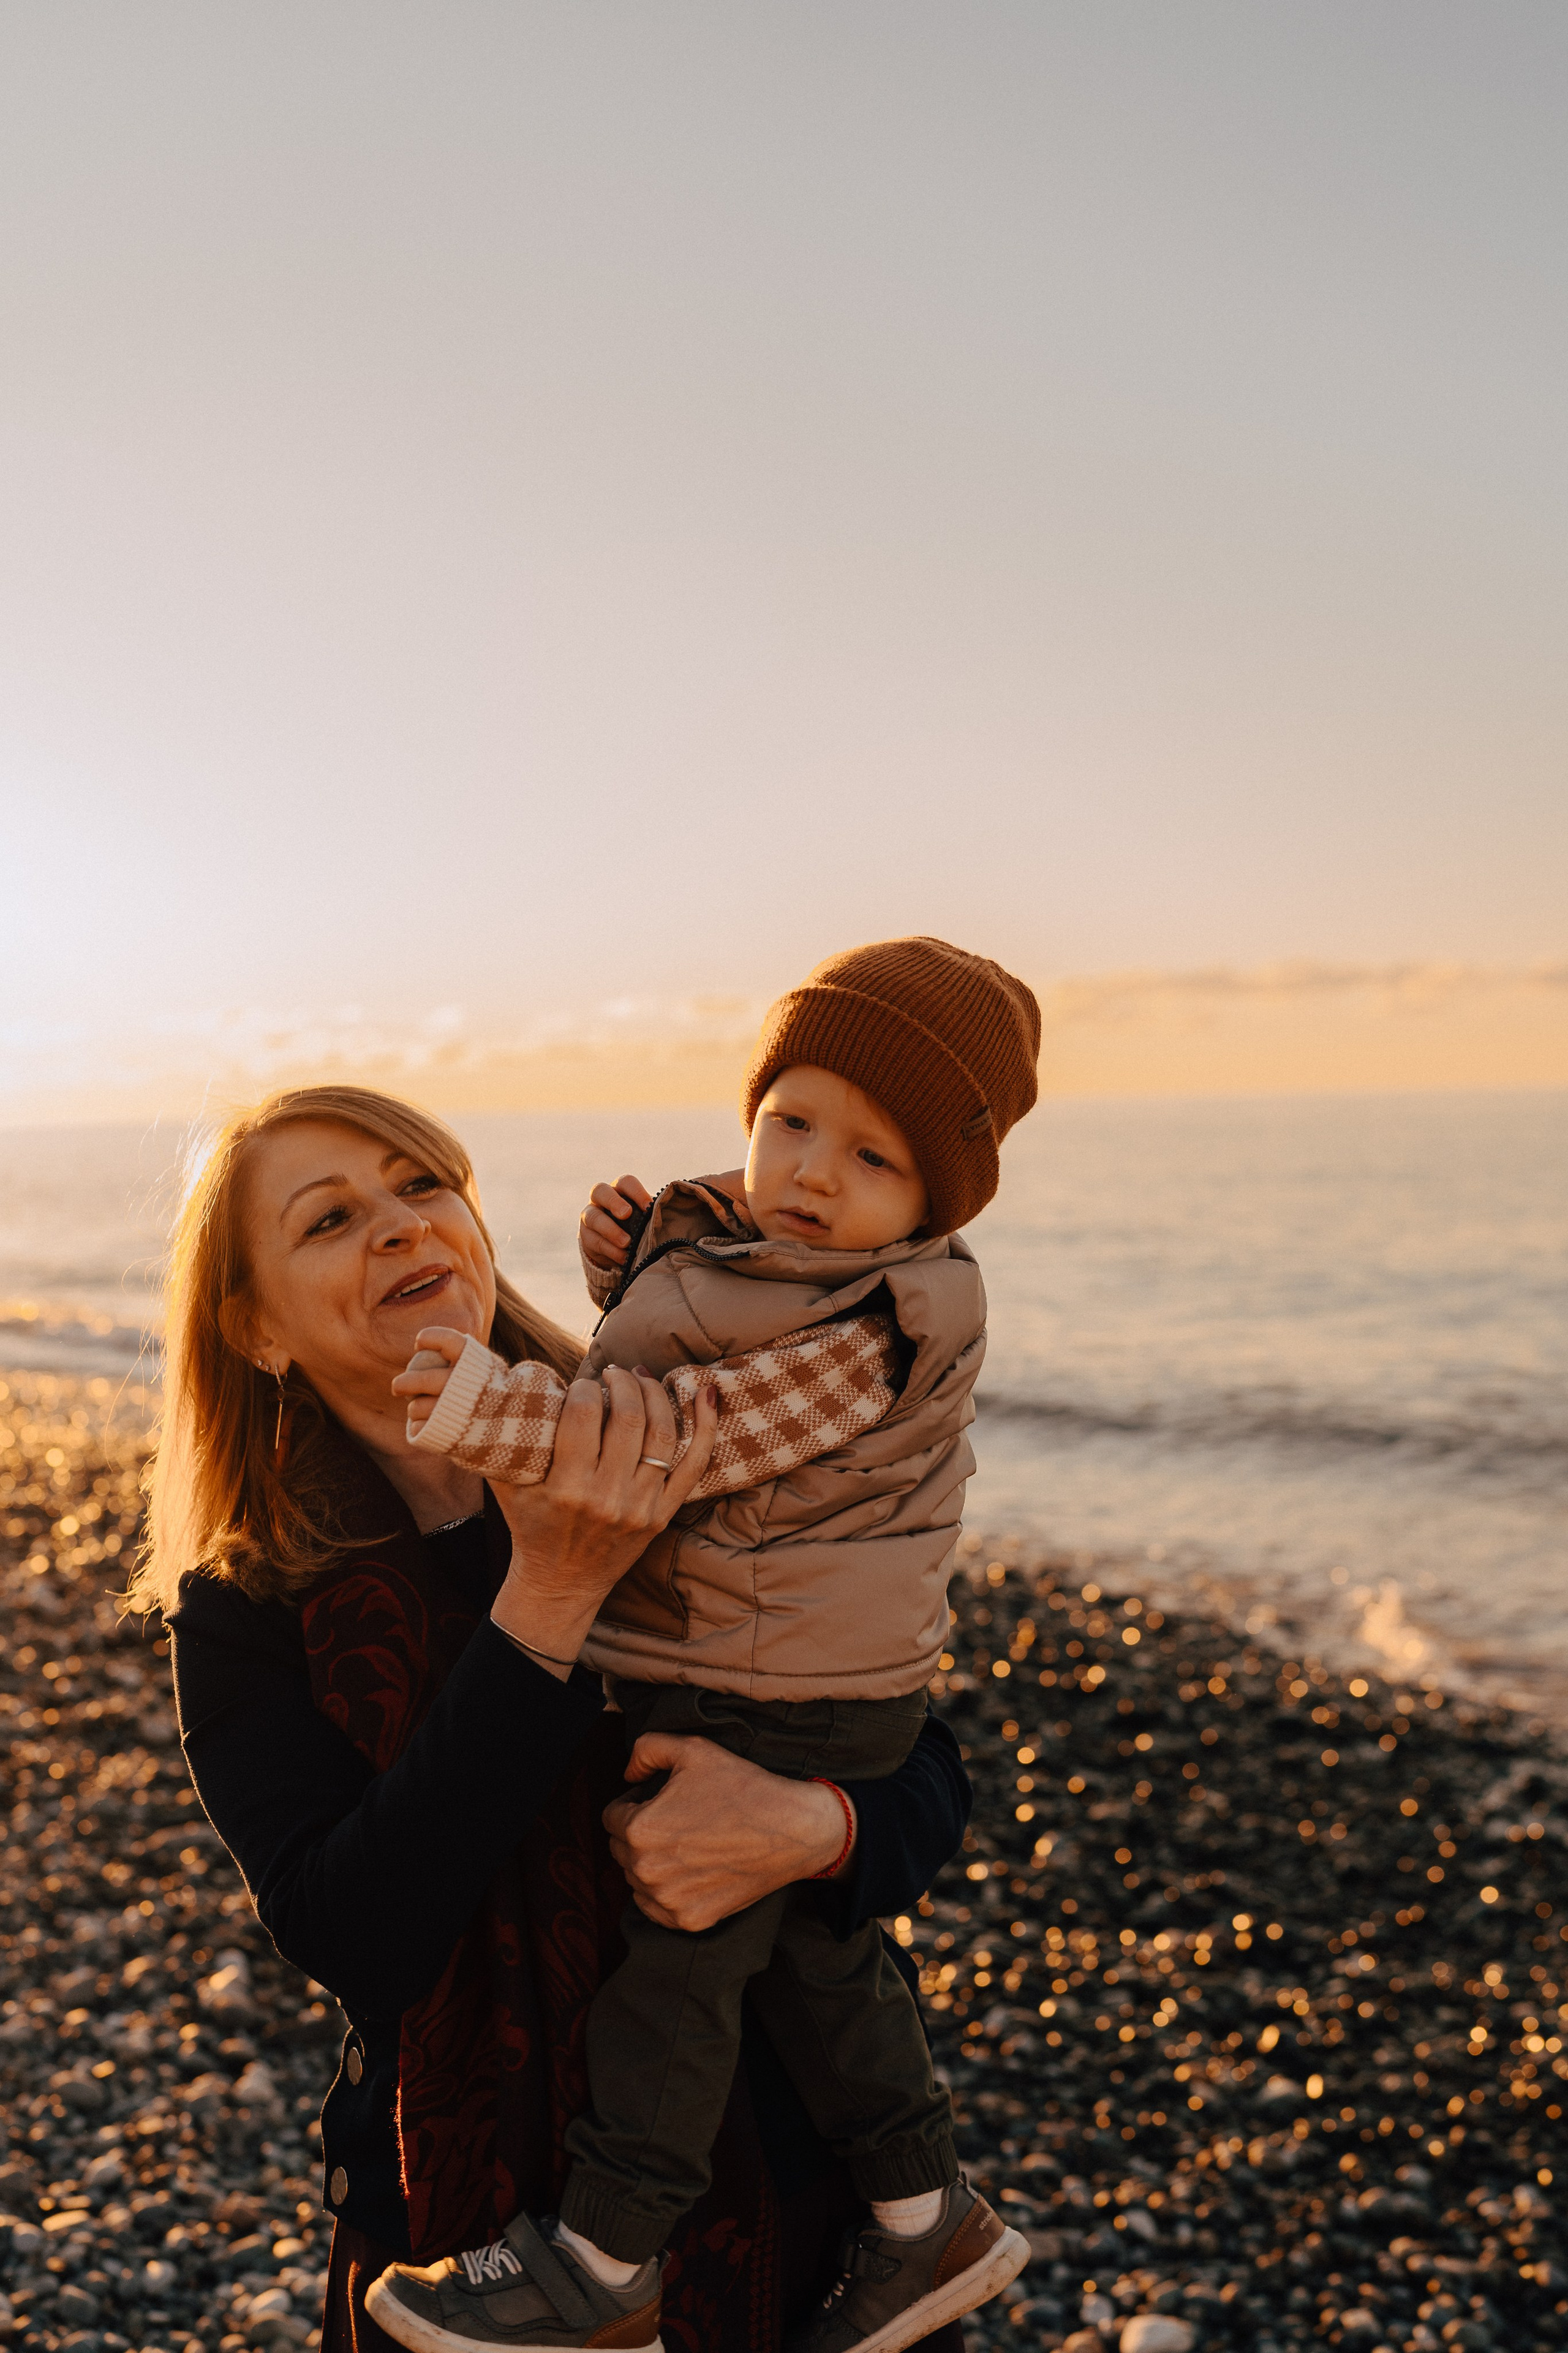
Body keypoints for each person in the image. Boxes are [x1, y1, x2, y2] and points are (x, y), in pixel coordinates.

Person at [134, 1082, 973, 2353]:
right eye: (331, 1219)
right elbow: (352, 1929)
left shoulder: (663, 1432)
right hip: (463, 2225)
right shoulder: (248, 1598)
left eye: (423, 1186)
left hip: (788, 2167)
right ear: (254, 1327)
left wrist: (815, 1828)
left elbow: (909, 1753)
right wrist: (558, 1589)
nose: (405, 1227)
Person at [368, 939, 1041, 2353]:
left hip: (788, 1689)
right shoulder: (789, 1254)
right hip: (779, 1663)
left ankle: (605, 2262)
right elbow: (704, 1316)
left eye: (870, 1158)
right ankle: (929, 2221)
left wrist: (499, 1414)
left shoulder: (877, 1322)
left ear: (932, 1203)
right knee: (816, 1966)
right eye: (789, 1117)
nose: (807, 1170)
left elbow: (693, 1436)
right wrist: (640, 1252)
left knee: (678, 1966)